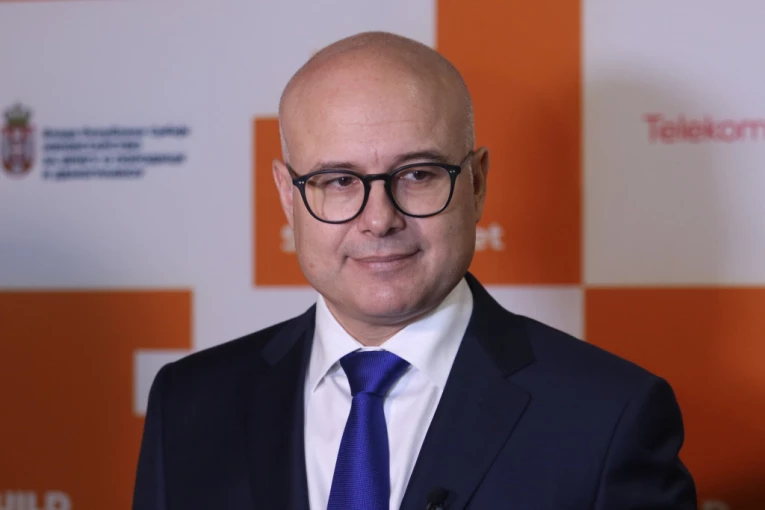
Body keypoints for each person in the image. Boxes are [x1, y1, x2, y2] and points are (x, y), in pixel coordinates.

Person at [132, 31, 697, 510]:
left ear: (476, 183)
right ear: (287, 195)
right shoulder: (189, 405)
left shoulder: (609, 416)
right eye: (338, 181)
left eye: (418, 174)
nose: (379, 220)